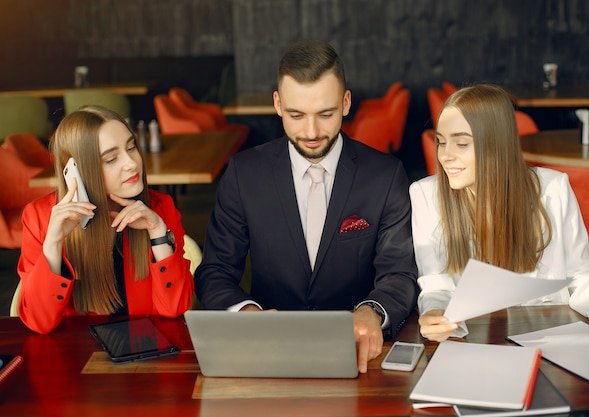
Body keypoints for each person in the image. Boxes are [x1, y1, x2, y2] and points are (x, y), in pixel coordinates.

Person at [194, 40, 418, 373]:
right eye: (296, 115)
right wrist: (245, 313)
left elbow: (399, 272)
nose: (311, 132)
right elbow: (215, 272)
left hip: (360, 355)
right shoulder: (243, 174)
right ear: (278, 104)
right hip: (267, 354)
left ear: (345, 103)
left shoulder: (386, 176)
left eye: (325, 114)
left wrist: (373, 310)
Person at [410, 84, 589, 342]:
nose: (445, 156)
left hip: (549, 336)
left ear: (497, 144)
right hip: (473, 342)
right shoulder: (425, 195)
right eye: (441, 142)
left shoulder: (553, 189)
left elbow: (581, 275)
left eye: (461, 143)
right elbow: (436, 283)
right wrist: (436, 312)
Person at [18, 105, 194, 334]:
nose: (132, 163)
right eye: (111, 159)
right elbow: (39, 322)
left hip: (148, 349)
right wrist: (53, 245)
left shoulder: (160, 208)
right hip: (80, 357)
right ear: (77, 171)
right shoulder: (41, 219)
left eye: (131, 147)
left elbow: (175, 308)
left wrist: (157, 231)